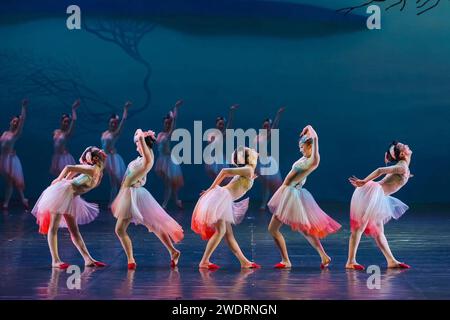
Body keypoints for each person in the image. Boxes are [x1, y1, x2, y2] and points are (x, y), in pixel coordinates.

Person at [268, 125, 341, 269]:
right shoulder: (304, 158)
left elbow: (315, 138)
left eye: (302, 146)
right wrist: (306, 131)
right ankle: (324, 256)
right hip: (289, 193)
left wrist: (310, 128)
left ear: (309, 146)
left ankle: (286, 260)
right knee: (304, 230)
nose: (300, 149)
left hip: (291, 195)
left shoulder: (313, 161)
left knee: (273, 229)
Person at [112, 129, 183, 270]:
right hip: (129, 193)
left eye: (138, 144)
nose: (137, 146)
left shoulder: (148, 158)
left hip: (136, 195)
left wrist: (139, 133)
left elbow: (142, 145)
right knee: (152, 226)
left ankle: (131, 259)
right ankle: (172, 251)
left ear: (143, 144)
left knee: (122, 229)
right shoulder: (140, 159)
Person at [31, 146, 108, 269]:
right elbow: (68, 168)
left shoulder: (97, 172)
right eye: (97, 157)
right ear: (95, 159)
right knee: (54, 227)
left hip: (70, 197)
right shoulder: (92, 170)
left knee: (74, 230)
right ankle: (55, 260)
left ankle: (88, 259)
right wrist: (60, 180)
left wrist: (66, 179)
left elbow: (74, 170)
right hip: (61, 194)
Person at [346, 141, 413, 270]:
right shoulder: (402, 167)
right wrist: (364, 181)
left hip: (377, 197)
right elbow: (380, 170)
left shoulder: (403, 167)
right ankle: (350, 261)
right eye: (404, 146)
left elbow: (393, 179)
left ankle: (391, 261)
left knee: (379, 231)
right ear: (403, 153)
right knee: (359, 228)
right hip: (371, 194)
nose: (407, 145)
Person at [192, 147, 261, 270]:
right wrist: (210, 189)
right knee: (221, 231)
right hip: (221, 199)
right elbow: (224, 171)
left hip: (225, 200)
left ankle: (244, 262)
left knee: (228, 234)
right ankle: (204, 261)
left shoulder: (247, 171)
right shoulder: (247, 170)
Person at [155, 100, 184, 209]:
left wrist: (175, 108)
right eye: (166, 123)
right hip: (162, 160)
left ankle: (164, 205)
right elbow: (156, 143)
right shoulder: (160, 134)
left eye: (169, 123)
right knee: (171, 184)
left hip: (168, 161)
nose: (167, 124)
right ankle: (177, 201)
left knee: (169, 184)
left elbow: (175, 122)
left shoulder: (169, 133)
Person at [0, 99, 29, 210]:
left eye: (17, 122)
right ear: (11, 121)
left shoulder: (15, 134)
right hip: (3, 159)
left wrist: (23, 107)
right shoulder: (4, 133)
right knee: (11, 182)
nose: (15, 122)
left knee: (10, 182)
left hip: (10, 161)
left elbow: (23, 121)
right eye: (14, 121)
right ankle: (23, 199)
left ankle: (6, 204)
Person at [255, 107, 285, 210]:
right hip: (259, 162)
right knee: (265, 184)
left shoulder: (268, 135)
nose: (267, 127)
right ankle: (266, 203)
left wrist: (278, 115)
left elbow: (275, 126)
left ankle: (267, 203)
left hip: (267, 162)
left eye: (269, 125)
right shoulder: (257, 136)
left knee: (268, 184)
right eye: (266, 125)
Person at [101, 101, 131, 206]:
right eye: (112, 122)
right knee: (96, 178)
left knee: (114, 182)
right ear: (109, 122)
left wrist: (125, 110)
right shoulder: (104, 133)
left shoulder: (115, 133)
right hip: (103, 158)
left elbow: (123, 121)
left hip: (112, 159)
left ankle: (113, 203)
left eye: (115, 123)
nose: (113, 124)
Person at [50, 99, 80, 176]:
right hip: (56, 156)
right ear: (61, 121)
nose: (66, 123)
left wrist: (73, 109)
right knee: (58, 177)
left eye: (68, 122)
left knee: (64, 177)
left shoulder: (67, 133)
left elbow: (74, 121)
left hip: (64, 158)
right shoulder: (55, 131)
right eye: (65, 121)